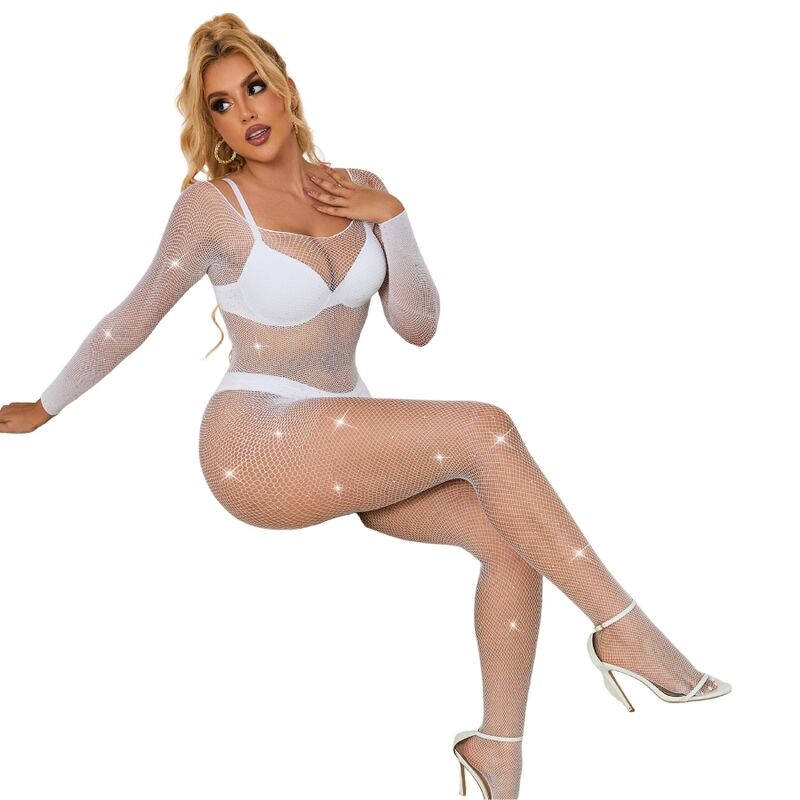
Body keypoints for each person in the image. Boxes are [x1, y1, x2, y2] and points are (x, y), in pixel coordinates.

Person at [0, 13, 731, 800]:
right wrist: (46, 405)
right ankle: (626, 631)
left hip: (348, 437)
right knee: (487, 429)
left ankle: (498, 753)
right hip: (256, 441)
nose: (245, 112)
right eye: (221, 104)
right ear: (210, 123)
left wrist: (394, 217)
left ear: (286, 88)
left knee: (514, 537)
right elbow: (133, 316)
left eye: (254, 87)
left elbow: (418, 327)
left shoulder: (357, 186)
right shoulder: (212, 208)